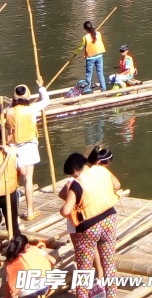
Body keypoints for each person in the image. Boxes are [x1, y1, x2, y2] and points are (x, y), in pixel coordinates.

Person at [59, 151, 120, 298]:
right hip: (109, 219)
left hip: (88, 227)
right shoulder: (102, 170)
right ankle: (111, 295)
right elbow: (117, 185)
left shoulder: (77, 184)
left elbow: (66, 210)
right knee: (109, 264)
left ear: (76, 169)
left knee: (84, 270)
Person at [6, 77, 49, 221]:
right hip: (29, 146)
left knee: (13, 180)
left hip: (12, 148)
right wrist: (41, 87)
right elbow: (46, 101)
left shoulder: (8, 110)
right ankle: (30, 212)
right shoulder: (32, 108)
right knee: (28, 179)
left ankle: (13, 215)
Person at [4, 234, 56, 298]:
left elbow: (9, 284)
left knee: (13, 287)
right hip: (44, 286)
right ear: (27, 245)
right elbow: (53, 261)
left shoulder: (12, 261)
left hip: (26, 292)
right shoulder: (36, 250)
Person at [0, 139, 21, 236]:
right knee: (13, 225)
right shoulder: (13, 151)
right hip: (9, 191)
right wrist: (7, 157)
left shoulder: (12, 150)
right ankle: (16, 247)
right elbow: (23, 171)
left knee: (13, 224)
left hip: (9, 191)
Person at [81, 21, 107, 94]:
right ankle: (103, 89)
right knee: (100, 73)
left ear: (85, 29)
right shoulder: (98, 33)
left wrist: (75, 53)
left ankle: (88, 90)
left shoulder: (85, 37)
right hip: (99, 56)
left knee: (89, 74)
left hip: (90, 58)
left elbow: (81, 47)